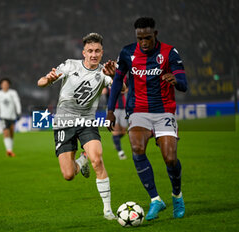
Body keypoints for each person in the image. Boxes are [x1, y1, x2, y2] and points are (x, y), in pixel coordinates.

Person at [107, 17, 187, 220]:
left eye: (148, 38)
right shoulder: (127, 52)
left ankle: (177, 195)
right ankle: (155, 200)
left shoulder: (169, 52)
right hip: (138, 110)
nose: (144, 42)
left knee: (170, 158)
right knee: (136, 148)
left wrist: (175, 80)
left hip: (164, 111)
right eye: (140, 38)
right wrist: (109, 110)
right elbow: (117, 81)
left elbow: (184, 83)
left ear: (155, 35)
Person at [37, 33, 124, 220]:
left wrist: (115, 76)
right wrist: (50, 79)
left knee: (98, 160)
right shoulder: (70, 65)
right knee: (68, 175)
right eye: (90, 51)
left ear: (102, 53)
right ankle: (82, 160)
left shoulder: (104, 72)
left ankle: (108, 210)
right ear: (84, 52)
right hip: (64, 122)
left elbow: (123, 88)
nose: (94, 54)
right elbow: (41, 82)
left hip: (87, 121)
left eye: (97, 51)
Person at [0, 78, 21, 157]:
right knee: (6, 132)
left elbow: (17, 102)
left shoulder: (13, 93)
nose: (5, 85)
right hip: (3, 117)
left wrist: (18, 112)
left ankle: (10, 149)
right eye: (3, 84)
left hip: (12, 116)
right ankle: (9, 150)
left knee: (11, 133)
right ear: (1, 85)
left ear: (9, 85)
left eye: (6, 84)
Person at [102, 79, 129, 160]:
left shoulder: (123, 77)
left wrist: (122, 90)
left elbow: (127, 88)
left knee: (124, 131)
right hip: (112, 110)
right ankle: (120, 152)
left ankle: (115, 140)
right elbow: (104, 90)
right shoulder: (107, 79)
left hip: (123, 108)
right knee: (115, 130)